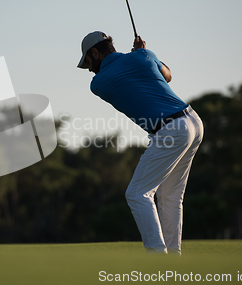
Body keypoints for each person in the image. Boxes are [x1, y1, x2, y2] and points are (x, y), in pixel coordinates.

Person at [77, 31, 204, 255]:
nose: (88, 68)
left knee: (137, 194)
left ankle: (157, 256)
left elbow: (128, 75)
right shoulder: (143, 56)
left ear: (95, 52)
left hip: (171, 130)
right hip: (193, 121)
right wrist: (144, 52)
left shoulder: (98, 83)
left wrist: (142, 54)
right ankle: (172, 259)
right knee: (170, 196)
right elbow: (168, 75)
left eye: (87, 61)